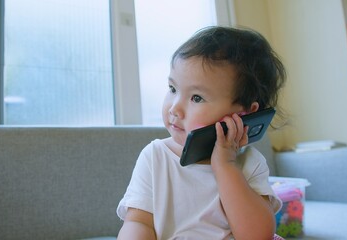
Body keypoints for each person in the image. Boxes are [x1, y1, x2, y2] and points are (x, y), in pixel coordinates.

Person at [117, 26, 286, 240]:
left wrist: (225, 166)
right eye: (172, 89)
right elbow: (138, 222)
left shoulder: (249, 163)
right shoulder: (155, 157)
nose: (174, 108)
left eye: (196, 98)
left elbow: (257, 236)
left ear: (244, 114)